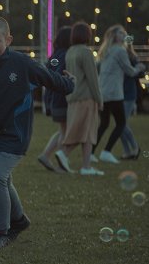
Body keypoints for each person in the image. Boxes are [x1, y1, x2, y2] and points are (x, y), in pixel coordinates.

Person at [0, 16, 74, 248]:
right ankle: (19, 220)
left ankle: (0, 232)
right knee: (3, 179)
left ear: (8, 40)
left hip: (15, 135)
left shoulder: (22, 63)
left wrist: (69, 83)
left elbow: (50, 79)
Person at [54, 22, 104, 175]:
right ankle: (70, 156)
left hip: (72, 97)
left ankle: (85, 165)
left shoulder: (70, 51)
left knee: (83, 131)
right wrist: (99, 99)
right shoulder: (86, 52)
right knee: (86, 131)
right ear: (87, 35)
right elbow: (93, 79)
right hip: (86, 97)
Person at [91, 25, 145, 164]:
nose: (124, 35)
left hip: (103, 92)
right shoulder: (120, 51)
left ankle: (91, 152)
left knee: (104, 124)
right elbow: (130, 71)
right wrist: (139, 68)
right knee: (121, 123)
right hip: (115, 93)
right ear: (114, 36)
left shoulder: (105, 51)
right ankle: (107, 151)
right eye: (121, 33)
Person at [37, 26, 71, 172]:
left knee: (63, 129)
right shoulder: (66, 55)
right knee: (67, 132)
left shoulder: (55, 55)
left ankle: (46, 155)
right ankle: (61, 163)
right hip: (61, 99)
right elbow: (58, 78)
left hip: (52, 99)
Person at [120, 39, 143, 159]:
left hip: (128, 93)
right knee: (120, 124)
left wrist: (139, 69)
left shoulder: (132, 58)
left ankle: (134, 148)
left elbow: (137, 73)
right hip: (120, 92)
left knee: (121, 124)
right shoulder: (120, 55)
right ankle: (128, 151)